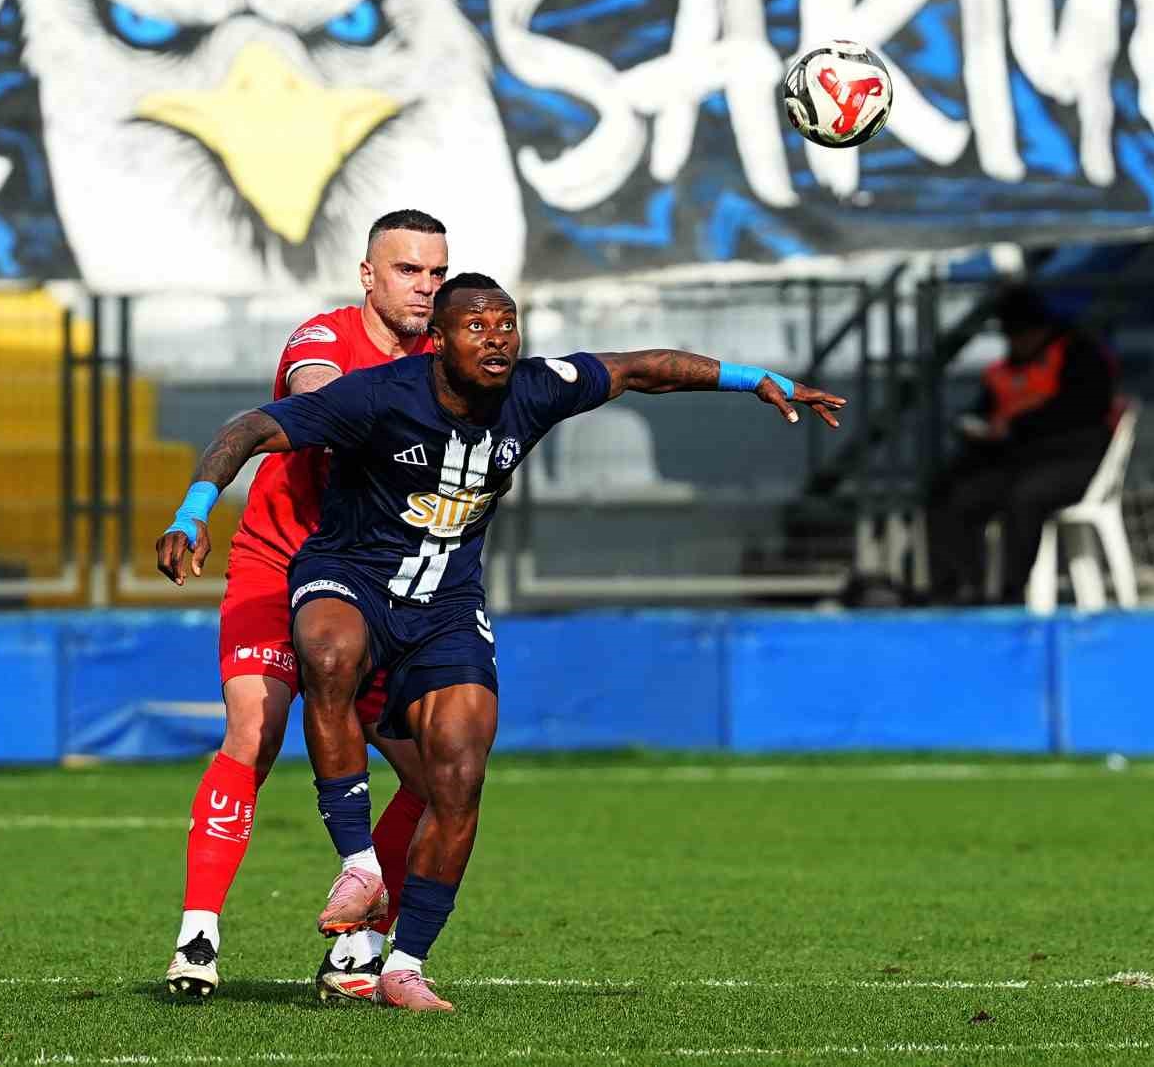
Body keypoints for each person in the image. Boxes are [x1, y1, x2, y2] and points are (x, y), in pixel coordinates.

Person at [158, 272, 846, 1011]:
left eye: (507, 324)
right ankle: (356, 865)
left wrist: (757, 380)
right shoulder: (382, 395)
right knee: (327, 655)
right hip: (351, 575)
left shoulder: (536, 387)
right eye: (477, 327)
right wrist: (196, 510)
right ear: (441, 341)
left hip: (447, 606)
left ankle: (403, 964)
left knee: (458, 770)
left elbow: (642, 369)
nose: (496, 339)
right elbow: (251, 428)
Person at [154, 208, 448, 1003]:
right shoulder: (320, 340)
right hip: (277, 563)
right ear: (367, 276)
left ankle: (356, 944)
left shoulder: (446, 359)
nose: (423, 287)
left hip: (374, 584)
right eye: (406, 270)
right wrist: (193, 510)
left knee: (434, 774)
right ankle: (198, 934)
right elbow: (317, 397)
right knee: (254, 727)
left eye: (435, 273)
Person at [925, 284, 1118, 605]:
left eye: (1022, 333)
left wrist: (1017, 427)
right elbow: (984, 412)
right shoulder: (1004, 368)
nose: (1017, 341)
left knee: (1025, 498)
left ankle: (1012, 591)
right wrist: (978, 430)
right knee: (950, 494)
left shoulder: (1079, 355)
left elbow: (1081, 413)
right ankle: (960, 588)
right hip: (1015, 462)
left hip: (1072, 461)